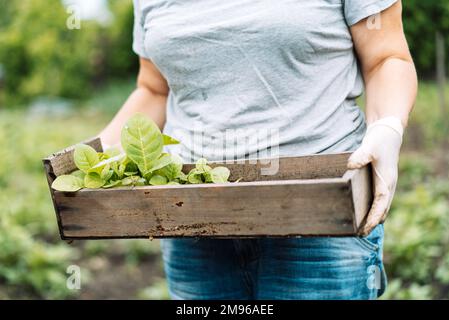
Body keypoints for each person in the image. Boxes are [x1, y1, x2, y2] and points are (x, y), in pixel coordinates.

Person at [99, 0, 417, 299]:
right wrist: (96, 157)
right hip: (192, 220)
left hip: (322, 217)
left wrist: (387, 127)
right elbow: (154, 88)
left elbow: (386, 58)